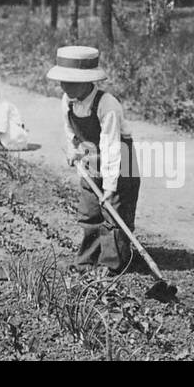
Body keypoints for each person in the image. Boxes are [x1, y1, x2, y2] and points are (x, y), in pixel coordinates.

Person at [50, 45, 140, 273]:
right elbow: (70, 130)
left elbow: (111, 147)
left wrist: (110, 186)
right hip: (91, 158)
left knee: (114, 213)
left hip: (121, 162)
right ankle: (88, 259)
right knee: (90, 212)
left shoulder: (107, 105)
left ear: (87, 81)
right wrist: (74, 150)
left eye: (71, 82)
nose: (65, 87)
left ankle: (112, 264)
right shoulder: (67, 99)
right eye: (62, 81)